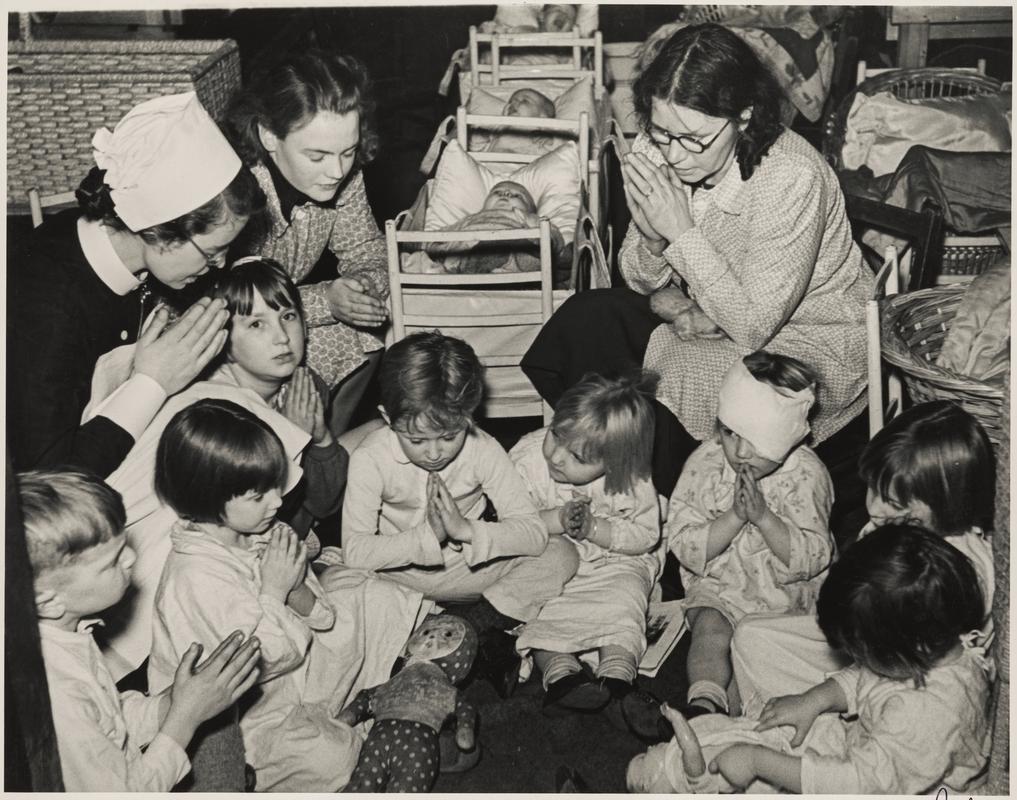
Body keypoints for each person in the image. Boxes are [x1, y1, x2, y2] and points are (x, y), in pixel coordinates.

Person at [522, 23, 873, 496]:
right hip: (706, 310)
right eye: (662, 132)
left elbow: (752, 327)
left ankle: (684, 503)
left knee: (685, 370)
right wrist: (651, 242)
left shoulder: (791, 175)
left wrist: (680, 233)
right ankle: (604, 455)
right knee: (589, 316)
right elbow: (640, 280)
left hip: (808, 336)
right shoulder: (662, 142)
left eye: (694, 139)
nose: (675, 154)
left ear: (744, 117)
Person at [626, 526, 995, 794]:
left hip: (882, 784)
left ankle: (670, 776)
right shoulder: (929, 644)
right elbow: (870, 678)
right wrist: (815, 700)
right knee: (777, 729)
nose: (853, 659)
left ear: (901, 654)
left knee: (765, 767)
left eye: (860, 651)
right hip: (867, 743)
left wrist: (759, 762)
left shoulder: (927, 715)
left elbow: (857, 785)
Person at [8, 91, 264, 476]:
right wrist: (152, 383)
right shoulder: (45, 305)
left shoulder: (121, 251)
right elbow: (49, 479)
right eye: (213, 252)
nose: (220, 266)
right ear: (160, 232)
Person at [147, 399, 394, 792]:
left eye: (275, 486)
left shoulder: (254, 530)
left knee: (373, 596)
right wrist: (274, 591)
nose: (278, 502)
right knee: (335, 756)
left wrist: (295, 588)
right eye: (258, 495)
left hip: (290, 674)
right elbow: (264, 661)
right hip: (241, 719)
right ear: (208, 495)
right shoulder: (195, 577)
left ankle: (347, 711)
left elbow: (323, 617)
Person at [341, 331, 580, 696]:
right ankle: (464, 633)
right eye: (417, 440)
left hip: (467, 571)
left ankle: (465, 625)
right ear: (387, 417)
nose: (435, 452)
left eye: (450, 436)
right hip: (396, 577)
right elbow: (355, 552)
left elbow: (532, 533)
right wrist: (427, 538)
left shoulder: (482, 448)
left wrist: (466, 529)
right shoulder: (370, 458)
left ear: (469, 415)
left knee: (560, 553)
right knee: (339, 589)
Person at [730, 400, 996, 714]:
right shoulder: (890, 524)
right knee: (751, 636)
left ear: (948, 504)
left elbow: (907, 670)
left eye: (895, 503)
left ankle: (807, 735)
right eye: (872, 490)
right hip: (868, 648)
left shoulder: (960, 569)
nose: (875, 509)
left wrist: (821, 695)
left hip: (912, 682)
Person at [20, 468, 261, 792]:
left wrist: (170, 703)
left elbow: (111, 719)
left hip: (134, 762)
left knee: (220, 707)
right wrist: (183, 719)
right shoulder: (58, 697)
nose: (132, 557)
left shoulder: (65, 634)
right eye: (111, 561)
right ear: (47, 601)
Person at [662, 352, 834, 723]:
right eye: (729, 433)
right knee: (710, 627)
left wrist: (764, 518)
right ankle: (703, 701)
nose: (738, 452)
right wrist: (734, 517)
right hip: (721, 585)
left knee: (751, 662)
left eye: (754, 441)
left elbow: (815, 554)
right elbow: (683, 538)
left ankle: (729, 720)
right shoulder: (706, 462)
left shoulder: (806, 475)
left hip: (783, 599)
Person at [226, 49, 389, 435]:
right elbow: (238, 300)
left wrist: (363, 284)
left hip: (281, 313)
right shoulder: (239, 190)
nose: (337, 171)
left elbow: (366, 247)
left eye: (347, 151)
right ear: (269, 135)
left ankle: (324, 446)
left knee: (370, 326)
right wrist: (328, 300)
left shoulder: (344, 174)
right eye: (317, 156)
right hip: (232, 327)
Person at [509, 373, 664, 712]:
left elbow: (646, 535)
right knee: (542, 607)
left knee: (625, 601)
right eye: (555, 435)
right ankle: (560, 672)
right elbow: (510, 524)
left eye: (578, 457)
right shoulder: (527, 458)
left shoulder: (631, 480)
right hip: (554, 558)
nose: (557, 457)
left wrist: (597, 528)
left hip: (615, 560)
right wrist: (555, 520)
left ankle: (618, 676)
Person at [410, 181, 569, 280]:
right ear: (484, 204)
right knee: (414, 260)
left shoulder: (526, 217)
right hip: (464, 256)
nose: (505, 194)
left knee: (530, 255)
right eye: (497, 192)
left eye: (517, 196)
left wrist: (549, 242)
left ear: (530, 209)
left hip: (514, 254)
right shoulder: (469, 219)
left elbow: (550, 233)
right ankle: (442, 274)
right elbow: (439, 236)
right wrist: (428, 246)